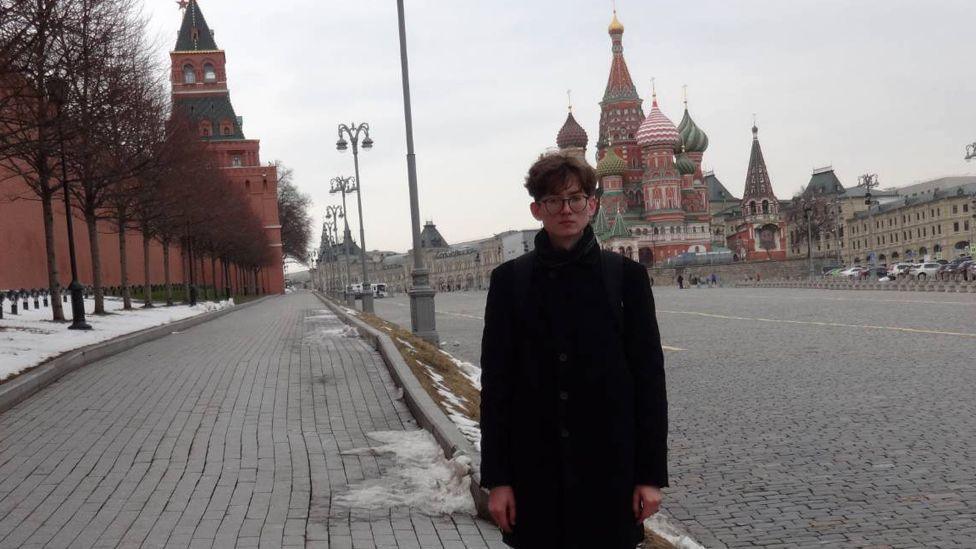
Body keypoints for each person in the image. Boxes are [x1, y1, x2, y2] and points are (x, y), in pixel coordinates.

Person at [480, 153, 669, 549]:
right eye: (553, 201)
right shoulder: (509, 282)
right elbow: (497, 388)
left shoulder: (626, 279)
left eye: (575, 198)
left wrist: (650, 476)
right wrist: (497, 481)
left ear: (592, 204)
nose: (566, 209)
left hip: (609, 475)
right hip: (535, 478)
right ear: (537, 209)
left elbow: (649, 381)